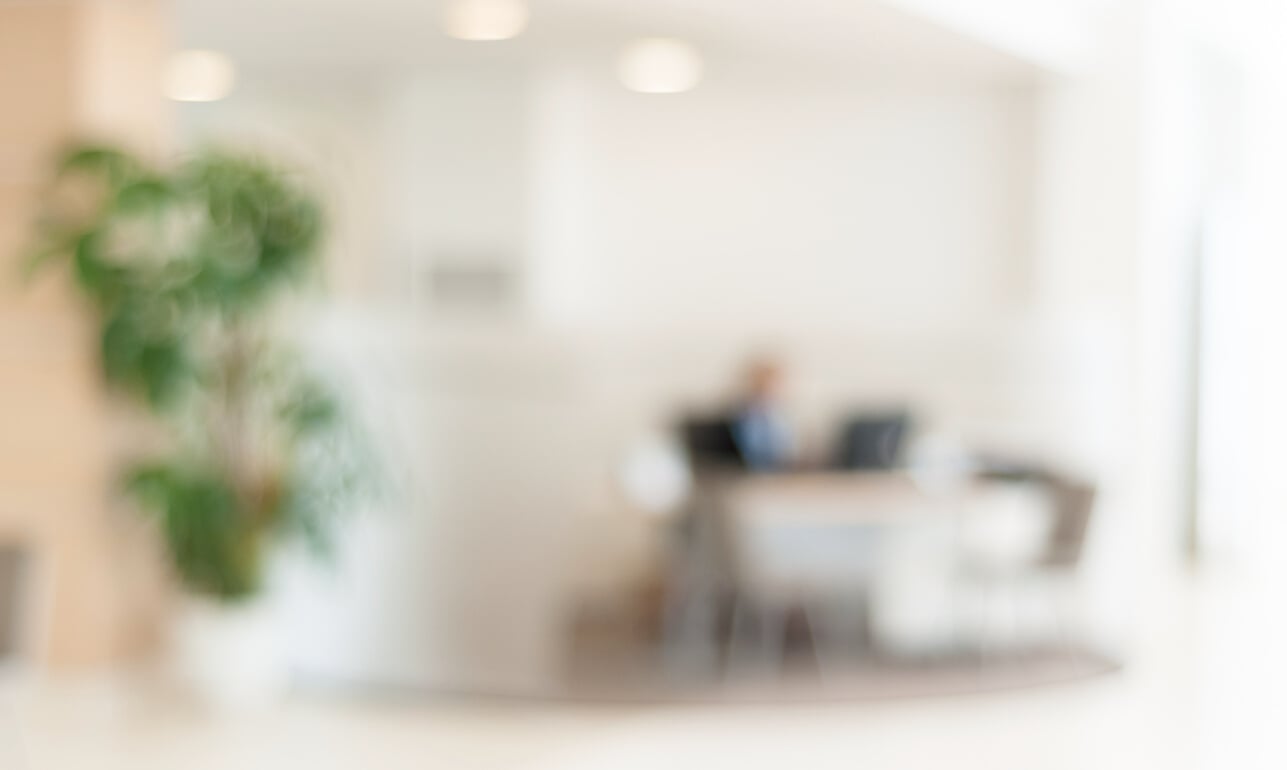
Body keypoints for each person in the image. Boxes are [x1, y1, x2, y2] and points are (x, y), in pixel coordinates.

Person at [730, 356, 795, 471]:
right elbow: (752, 452)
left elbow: (787, 451)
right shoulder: (743, 417)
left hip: (780, 474)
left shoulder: (779, 416)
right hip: (752, 475)